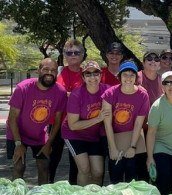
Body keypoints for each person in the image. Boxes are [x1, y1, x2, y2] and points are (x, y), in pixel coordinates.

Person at [6, 58, 67, 185]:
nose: (49, 73)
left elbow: (57, 121)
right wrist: (18, 144)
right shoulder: (23, 88)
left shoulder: (60, 92)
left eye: (53, 70)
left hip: (39, 135)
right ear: (38, 71)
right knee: (19, 167)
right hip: (17, 133)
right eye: (45, 69)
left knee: (44, 167)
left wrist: (49, 143)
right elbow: (12, 118)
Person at [61, 61, 110, 186]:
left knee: (98, 172)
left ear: (101, 75)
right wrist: (97, 119)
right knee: (84, 169)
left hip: (94, 136)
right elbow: (73, 125)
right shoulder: (76, 95)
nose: (92, 77)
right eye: (88, 74)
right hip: (74, 134)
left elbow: (123, 92)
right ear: (83, 77)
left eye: (96, 73)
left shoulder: (107, 90)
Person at [102, 61, 150, 184]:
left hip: (133, 138)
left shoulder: (143, 95)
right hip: (115, 137)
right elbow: (107, 123)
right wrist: (112, 148)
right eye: (125, 75)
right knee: (116, 179)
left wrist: (132, 147)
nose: (128, 78)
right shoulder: (110, 93)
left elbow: (139, 123)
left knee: (132, 178)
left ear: (136, 77)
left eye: (131, 75)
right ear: (120, 77)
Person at [52, 39, 86, 184]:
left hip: (77, 124)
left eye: (77, 52)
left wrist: (69, 95)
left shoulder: (88, 74)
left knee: (75, 163)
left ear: (82, 55)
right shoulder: (57, 73)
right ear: (64, 55)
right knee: (52, 159)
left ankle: (73, 192)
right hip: (57, 123)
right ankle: (47, 188)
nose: (73, 55)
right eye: (69, 52)